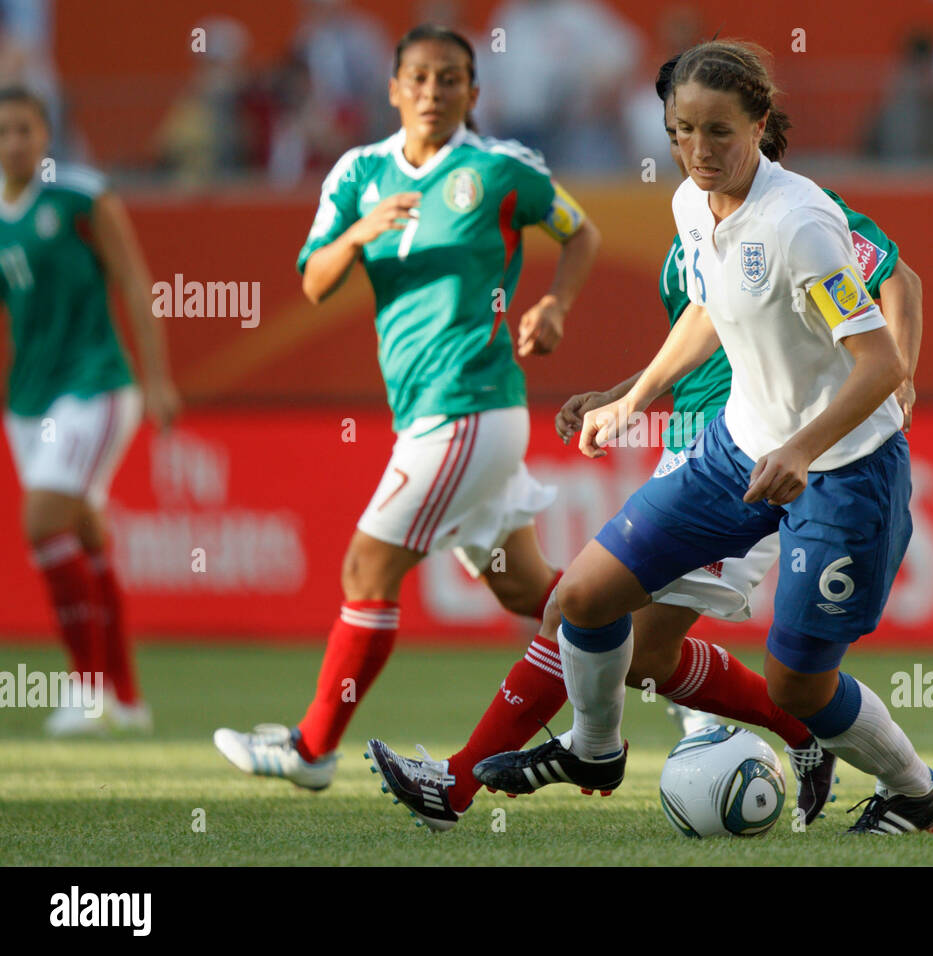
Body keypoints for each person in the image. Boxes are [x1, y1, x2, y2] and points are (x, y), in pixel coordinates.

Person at [366, 51, 925, 833]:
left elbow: (882, 346)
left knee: (780, 678)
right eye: (680, 131)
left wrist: (807, 444)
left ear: (761, 127)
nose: (698, 149)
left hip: (835, 466)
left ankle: (909, 784)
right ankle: (583, 754)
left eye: (718, 132)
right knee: (587, 603)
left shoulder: (804, 222)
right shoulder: (693, 204)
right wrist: (633, 397)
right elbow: (703, 306)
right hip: (731, 444)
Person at [213, 24, 600, 789]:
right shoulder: (356, 174)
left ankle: (312, 748)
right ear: (392, 89)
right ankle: (684, 686)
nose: (433, 93)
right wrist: (359, 232)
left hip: (469, 407)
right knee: (532, 591)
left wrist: (555, 303)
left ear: (473, 93)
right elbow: (316, 281)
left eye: (450, 79)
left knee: (366, 566)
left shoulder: (498, 170)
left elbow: (579, 230)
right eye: (418, 79)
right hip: (427, 413)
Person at [0, 85, 179, 735]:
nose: (14, 141)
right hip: (28, 400)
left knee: (43, 519)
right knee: (85, 535)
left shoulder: (81, 196)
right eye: (4, 131)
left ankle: (86, 689)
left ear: (46, 135)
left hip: (97, 384)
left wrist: (157, 378)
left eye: (25, 128)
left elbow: (134, 281)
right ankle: (128, 699)